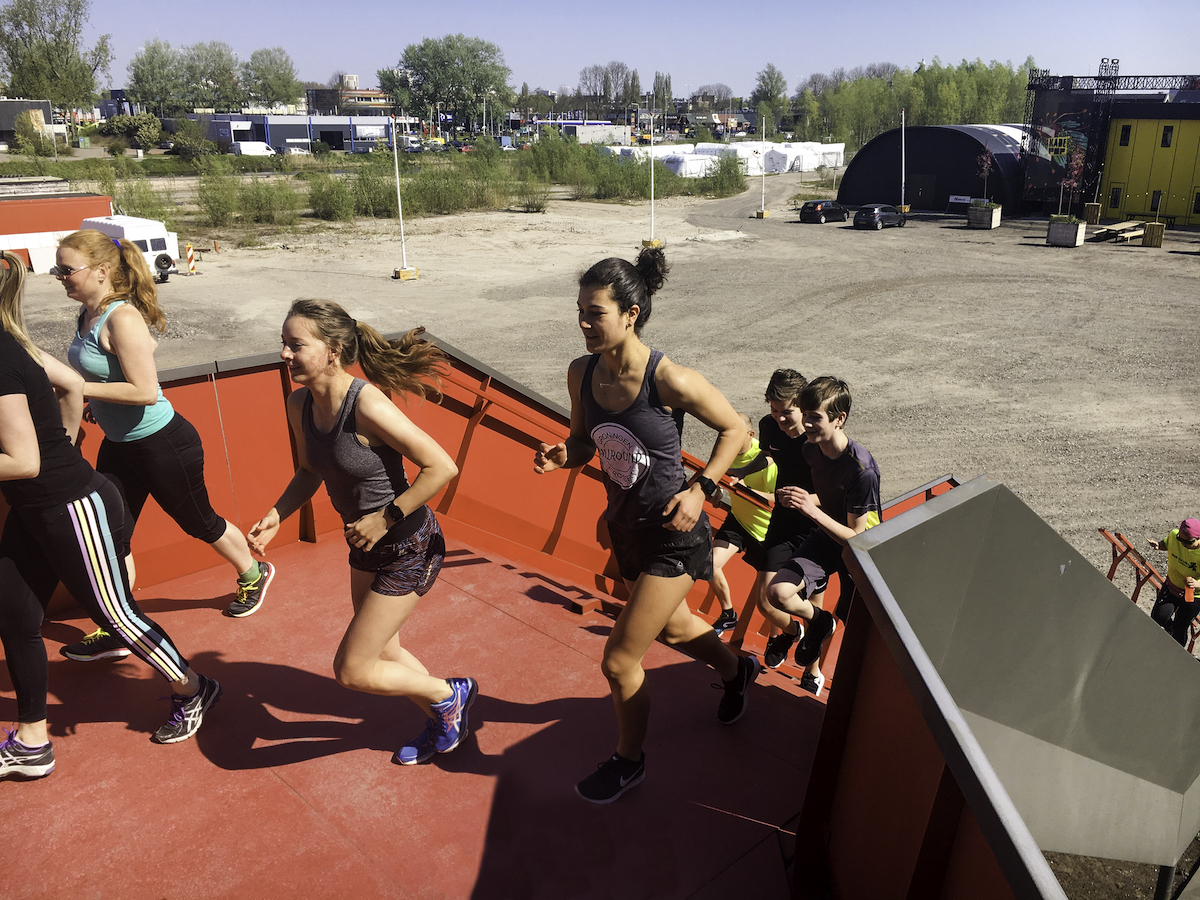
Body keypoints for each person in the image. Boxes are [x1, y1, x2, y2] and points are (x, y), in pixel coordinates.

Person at [533, 247, 760, 804]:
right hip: (628, 528)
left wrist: (700, 488)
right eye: (580, 311)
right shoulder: (581, 373)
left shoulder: (670, 379)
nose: (584, 323)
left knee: (619, 660)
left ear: (631, 313)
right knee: (677, 628)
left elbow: (737, 429)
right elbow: (586, 443)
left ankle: (628, 762)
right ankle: (736, 672)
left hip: (676, 533)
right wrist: (562, 455)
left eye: (596, 312)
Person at [0, 250, 221, 779]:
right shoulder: (14, 339)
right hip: (36, 507)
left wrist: (64, 455)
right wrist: (71, 439)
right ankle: (32, 741)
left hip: (69, 505)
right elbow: (72, 385)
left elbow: (25, 460)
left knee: (116, 614)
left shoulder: (2, 353)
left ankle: (194, 686)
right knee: (13, 614)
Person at [246, 299, 471, 767]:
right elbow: (310, 470)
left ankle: (449, 694)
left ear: (332, 351)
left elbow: (441, 466)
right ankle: (444, 715)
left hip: (409, 542)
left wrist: (386, 517)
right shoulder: (299, 403)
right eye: (283, 344)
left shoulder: (365, 402)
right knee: (384, 651)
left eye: (295, 345)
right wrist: (278, 512)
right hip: (365, 545)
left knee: (352, 670)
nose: (284, 354)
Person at [52, 230, 273, 665]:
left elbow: (146, 391)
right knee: (112, 536)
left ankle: (253, 572)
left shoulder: (122, 318)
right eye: (57, 270)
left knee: (199, 522)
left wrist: (81, 388)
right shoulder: (86, 314)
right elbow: (114, 376)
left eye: (66, 269)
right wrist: (93, 401)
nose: (59, 277)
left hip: (162, 443)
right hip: (119, 446)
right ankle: (119, 624)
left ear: (100, 271)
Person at [764, 376, 880, 698]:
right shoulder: (810, 450)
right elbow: (828, 499)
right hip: (827, 533)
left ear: (839, 419)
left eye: (815, 416)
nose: (807, 423)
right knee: (778, 593)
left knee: (854, 624)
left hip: (861, 550)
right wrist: (805, 498)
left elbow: (856, 537)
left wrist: (811, 510)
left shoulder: (862, 470)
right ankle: (817, 622)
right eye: (806, 414)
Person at [734, 369, 819, 668]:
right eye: (774, 410)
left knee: (812, 599)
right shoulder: (768, 426)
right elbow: (770, 455)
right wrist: (742, 472)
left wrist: (808, 502)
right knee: (767, 601)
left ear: (804, 407)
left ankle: (813, 669)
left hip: (815, 525)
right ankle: (792, 631)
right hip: (783, 521)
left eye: (787, 412)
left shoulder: (817, 437)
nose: (780, 419)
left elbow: (837, 491)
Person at [710, 412, 777, 636]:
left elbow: (780, 498)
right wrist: (718, 492)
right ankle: (728, 614)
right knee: (709, 564)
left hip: (765, 531)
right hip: (738, 520)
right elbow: (717, 477)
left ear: (751, 434)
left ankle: (776, 638)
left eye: (737, 435)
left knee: (769, 599)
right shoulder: (726, 451)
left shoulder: (766, 459)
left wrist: (748, 492)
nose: (730, 440)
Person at [1147, 518, 1200, 646]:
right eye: (1180, 539)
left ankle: (1177, 653)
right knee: (1158, 618)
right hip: (1172, 588)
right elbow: (1167, 543)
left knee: (1180, 628)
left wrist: (1198, 584)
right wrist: (1159, 545)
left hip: (1193, 596)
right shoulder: (1174, 536)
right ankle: (1170, 632)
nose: (1182, 543)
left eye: (1188, 542)